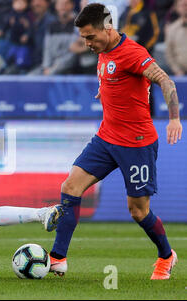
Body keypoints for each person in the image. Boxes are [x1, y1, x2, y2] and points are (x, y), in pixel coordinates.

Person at [49, 3, 182, 280]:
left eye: (90, 37)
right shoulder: (103, 49)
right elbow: (114, 76)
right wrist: (105, 89)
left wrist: (174, 119)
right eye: (83, 38)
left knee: (138, 211)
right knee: (70, 186)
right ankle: (57, 258)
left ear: (108, 28)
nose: (87, 43)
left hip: (136, 143)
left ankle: (166, 256)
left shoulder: (133, 53)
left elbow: (166, 82)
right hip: (106, 138)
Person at [40, 0, 78, 75]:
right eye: (60, 4)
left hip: (70, 71)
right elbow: (47, 49)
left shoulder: (78, 24)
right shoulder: (51, 25)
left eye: (66, 3)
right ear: (55, 6)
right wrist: (46, 67)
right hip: (49, 69)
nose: (63, 6)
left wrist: (53, 70)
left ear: (72, 5)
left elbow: (73, 53)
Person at [164, 0, 187, 76]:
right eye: (182, 5)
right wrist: (177, 70)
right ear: (176, 8)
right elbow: (169, 54)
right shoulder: (171, 29)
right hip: (180, 73)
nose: (185, 7)